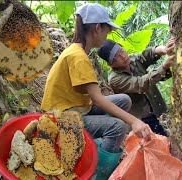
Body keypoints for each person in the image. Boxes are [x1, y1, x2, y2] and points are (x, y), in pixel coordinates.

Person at [40, 3, 151, 180]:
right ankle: (96, 174)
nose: (107, 36)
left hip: (76, 106)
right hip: (62, 116)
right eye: (107, 31)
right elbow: (98, 99)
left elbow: (94, 97)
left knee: (123, 100)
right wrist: (134, 121)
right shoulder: (78, 57)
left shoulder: (77, 51)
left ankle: (95, 143)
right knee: (118, 127)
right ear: (97, 28)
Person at [97, 38, 175, 136]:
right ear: (111, 64)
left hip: (157, 111)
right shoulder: (114, 79)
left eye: (121, 51)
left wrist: (164, 49)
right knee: (156, 148)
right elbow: (141, 84)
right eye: (116, 57)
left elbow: (147, 54)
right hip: (142, 120)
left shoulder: (132, 60)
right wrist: (164, 67)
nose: (123, 56)